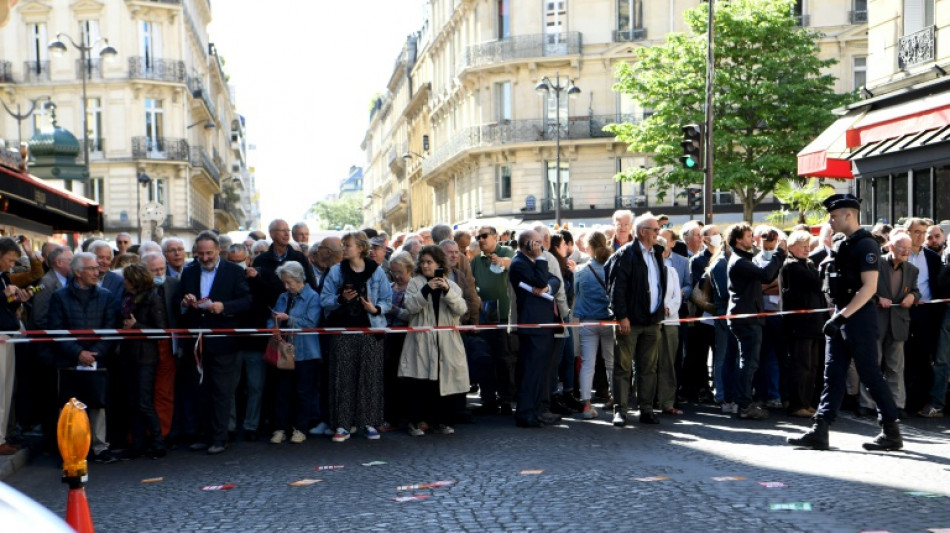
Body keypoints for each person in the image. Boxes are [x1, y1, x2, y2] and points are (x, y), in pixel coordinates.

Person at [788, 194, 904, 451]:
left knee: (870, 375)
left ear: (848, 215)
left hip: (858, 317)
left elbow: (869, 288)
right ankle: (820, 429)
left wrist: (840, 317)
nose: (830, 220)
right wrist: (838, 316)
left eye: (833, 215)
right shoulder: (845, 244)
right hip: (842, 314)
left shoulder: (866, 245)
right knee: (833, 375)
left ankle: (891, 432)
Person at [179, 231, 252, 455]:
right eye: (200, 254)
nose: (205, 257)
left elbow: (247, 301)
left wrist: (224, 307)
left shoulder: (233, 271)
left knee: (222, 391)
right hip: (198, 342)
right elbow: (180, 302)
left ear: (218, 250)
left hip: (223, 340)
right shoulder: (189, 271)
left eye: (209, 253)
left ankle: (220, 438)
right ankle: (205, 435)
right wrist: (185, 302)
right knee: (201, 390)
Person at [320, 231, 392, 443]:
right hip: (342, 330)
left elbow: (388, 300)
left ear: (360, 247)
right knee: (343, 377)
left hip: (370, 330)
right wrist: (340, 299)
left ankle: (369, 422)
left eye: (347, 245)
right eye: (343, 245)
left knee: (370, 378)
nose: (344, 248)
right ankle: (343, 424)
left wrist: (375, 308)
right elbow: (324, 300)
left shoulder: (376, 271)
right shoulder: (336, 271)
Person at [47, 252, 116, 462]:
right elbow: (56, 331)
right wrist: (78, 353)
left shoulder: (106, 296)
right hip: (69, 360)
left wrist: (95, 353)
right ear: (78, 272)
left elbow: (110, 329)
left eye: (97, 268)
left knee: (98, 405)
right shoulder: (59, 297)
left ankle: (99, 447)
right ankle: (70, 450)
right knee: (69, 408)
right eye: (92, 268)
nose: (97, 272)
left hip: (97, 359)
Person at [399, 245, 469, 436]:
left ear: (439, 264)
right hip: (421, 340)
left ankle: (442, 421)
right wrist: (425, 291)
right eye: (422, 262)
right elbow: (411, 307)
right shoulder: (415, 283)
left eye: (429, 262)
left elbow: (461, 309)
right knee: (419, 382)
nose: (425, 266)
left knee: (443, 381)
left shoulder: (452, 285)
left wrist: (447, 291)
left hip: (445, 341)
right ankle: (416, 421)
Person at [607, 213, 667, 426]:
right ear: (643, 232)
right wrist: (621, 316)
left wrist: (659, 314)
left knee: (648, 368)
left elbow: (659, 284)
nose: (658, 233)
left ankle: (646, 409)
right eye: (655, 230)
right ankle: (620, 410)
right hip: (630, 321)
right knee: (623, 368)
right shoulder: (626, 254)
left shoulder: (657, 253)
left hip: (651, 321)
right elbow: (617, 289)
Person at [726, 222, 787, 420]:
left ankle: (742, 402)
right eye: (748, 235)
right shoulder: (739, 261)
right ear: (737, 239)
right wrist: (780, 254)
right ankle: (744, 405)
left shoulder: (743, 259)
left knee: (748, 361)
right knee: (749, 362)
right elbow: (766, 275)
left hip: (749, 315)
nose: (752, 239)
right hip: (746, 317)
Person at [861, 232, 919, 416]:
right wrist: (878, 298)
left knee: (896, 367)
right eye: (903, 248)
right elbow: (862, 287)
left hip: (899, 323)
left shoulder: (911, 270)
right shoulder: (876, 264)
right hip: (876, 321)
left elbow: (916, 291)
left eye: (909, 249)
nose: (906, 252)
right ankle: (867, 404)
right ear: (891, 247)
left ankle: (897, 404)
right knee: (872, 364)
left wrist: (913, 296)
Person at [508, 230, 561, 428]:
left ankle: (538, 409)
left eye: (541, 243)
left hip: (543, 324)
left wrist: (547, 289)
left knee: (540, 371)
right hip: (532, 325)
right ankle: (526, 412)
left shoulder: (532, 262)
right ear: (526, 244)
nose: (542, 246)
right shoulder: (520, 263)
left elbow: (554, 279)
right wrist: (540, 259)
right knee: (531, 371)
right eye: (537, 243)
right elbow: (540, 280)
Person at [267, 261, 322, 444]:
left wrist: (288, 319)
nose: (286, 286)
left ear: (299, 279)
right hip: (284, 350)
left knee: (303, 392)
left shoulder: (313, 297)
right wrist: (273, 327)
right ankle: (280, 428)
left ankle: (300, 428)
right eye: (284, 282)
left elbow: (310, 322)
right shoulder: (283, 297)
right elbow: (272, 318)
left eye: (288, 282)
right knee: (282, 391)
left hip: (305, 351)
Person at [120, 263, 168, 458]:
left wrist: (136, 325)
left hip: (145, 356)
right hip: (130, 353)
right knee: (133, 401)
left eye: (126, 279)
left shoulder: (152, 298)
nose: (124, 282)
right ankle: (138, 444)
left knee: (144, 402)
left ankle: (158, 443)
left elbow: (160, 331)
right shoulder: (128, 297)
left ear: (134, 280)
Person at [469, 226, 516, 415]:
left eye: (484, 236)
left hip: (504, 316)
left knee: (504, 359)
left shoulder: (505, 250)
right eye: (478, 237)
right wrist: (476, 296)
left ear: (495, 237)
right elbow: (471, 284)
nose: (481, 239)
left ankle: (505, 400)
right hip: (485, 316)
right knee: (485, 358)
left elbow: (511, 262)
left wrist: (501, 261)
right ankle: (488, 399)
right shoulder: (477, 260)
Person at [780, 230, 826, 418]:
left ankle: (806, 403)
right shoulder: (791, 265)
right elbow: (817, 283)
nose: (807, 249)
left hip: (814, 323)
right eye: (803, 246)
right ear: (792, 247)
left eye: (808, 245)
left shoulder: (807, 264)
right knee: (801, 365)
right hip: (800, 325)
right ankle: (797, 404)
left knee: (813, 366)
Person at [224, 244, 267, 442]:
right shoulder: (224, 279)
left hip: (255, 341)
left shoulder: (259, 277)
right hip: (232, 341)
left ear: (248, 260)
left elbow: (269, 298)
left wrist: (256, 280)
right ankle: (230, 425)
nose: (236, 266)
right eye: (232, 262)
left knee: (255, 386)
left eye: (240, 261)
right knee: (230, 387)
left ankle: (251, 425)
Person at [903, 218, 944, 414]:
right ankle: (904, 400)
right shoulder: (899, 254)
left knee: (924, 358)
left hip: (926, 312)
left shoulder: (932, 258)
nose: (920, 236)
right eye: (916, 232)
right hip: (902, 311)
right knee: (904, 356)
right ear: (907, 232)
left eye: (923, 232)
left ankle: (920, 400)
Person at [573, 231, 614, 419]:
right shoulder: (613, 266)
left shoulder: (581, 270)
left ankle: (587, 405)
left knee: (588, 364)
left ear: (588, 247)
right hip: (609, 319)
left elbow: (575, 292)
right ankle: (615, 399)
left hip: (587, 321)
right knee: (611, 363)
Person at [0, 238, 34, 456]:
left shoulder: (3, 277)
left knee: (6, 389)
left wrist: (18, 299)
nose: (12, 265)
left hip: (6, 335)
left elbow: (6, 306)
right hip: (1, 337)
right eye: (10, 260)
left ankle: (2, 435)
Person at [141, 252, 179, 440]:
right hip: (144, 347)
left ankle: (163, 434)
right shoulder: (136, 289)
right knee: (144, 393)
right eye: (154, 270)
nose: (159, 273)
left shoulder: (173, 284)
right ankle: (144, 434)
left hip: (167, 345)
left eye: (161, 269)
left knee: (164, 392)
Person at [751, 225, 785, 410]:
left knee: (773, 356)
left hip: (777, 313)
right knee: (759, 356)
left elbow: (782, 284)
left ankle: (773, 394)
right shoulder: (754, 260)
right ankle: (761, 393)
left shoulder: (783, 259)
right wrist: (769, 283)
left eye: (772, 238)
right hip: (760, 313)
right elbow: (758, 283)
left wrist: (767, 284)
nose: (769, 242)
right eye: (765, 238)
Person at [383, 252, 414, 429]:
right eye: (393, 271)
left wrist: (394, 310)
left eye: (400, 271)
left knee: (405, 378)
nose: (396, 276)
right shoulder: (389, 287)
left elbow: (411, 315)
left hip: (405, 337)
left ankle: (406, 416)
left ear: (409, 269)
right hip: (389, 337)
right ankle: (390, 416)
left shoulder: (413, 288)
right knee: (389, 378)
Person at [657, 236, 683, 415]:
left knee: (668, 363)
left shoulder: (671, 271)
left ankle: (667, 402)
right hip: (651, 322)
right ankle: (647, 400)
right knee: (648, 364)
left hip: (670, 321)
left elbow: (677, 296)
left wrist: (667, 309)